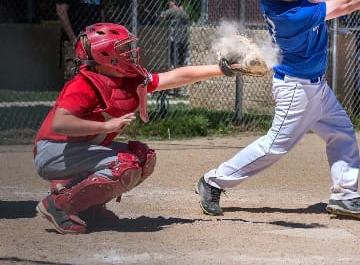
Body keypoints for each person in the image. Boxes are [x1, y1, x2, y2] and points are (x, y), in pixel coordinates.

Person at [195, 0, 360, 222]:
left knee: (342, 133)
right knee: (274, 146)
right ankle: (213, 181)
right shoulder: (289, 17)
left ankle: (345, 196)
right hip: (296, 90)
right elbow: (344, 5)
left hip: (317, 87)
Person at [34, 23, 230, 234]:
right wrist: (106, 125)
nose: (130, 53)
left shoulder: (128, 78)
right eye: (122, 49)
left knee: (142, 158)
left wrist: (222, 69)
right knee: (124, 166)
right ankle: (60, 205)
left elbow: (176, 77)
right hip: (53, 152)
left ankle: (87, 207)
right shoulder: (83, 84)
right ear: (105, 54)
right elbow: (60, 123)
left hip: (79, 150)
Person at [55, 0, 104, 81]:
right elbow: (61, 11)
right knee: (73, 73)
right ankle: (70, 101)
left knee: (94, 73)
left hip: (93, 38)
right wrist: (72, 37)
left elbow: (100, 11)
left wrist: (102, 35)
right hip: (76, 36)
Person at [160, 0, 190, 96]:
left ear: (174, 2)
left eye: (171, 1)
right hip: (182, 41)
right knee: (180, 64)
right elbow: (186, 17)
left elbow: (161, 16)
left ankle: (171, 88)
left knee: (172, 63)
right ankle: (177, 89)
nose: (169, 3)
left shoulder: (173, 11)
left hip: (173, 41)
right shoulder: (183, 12)